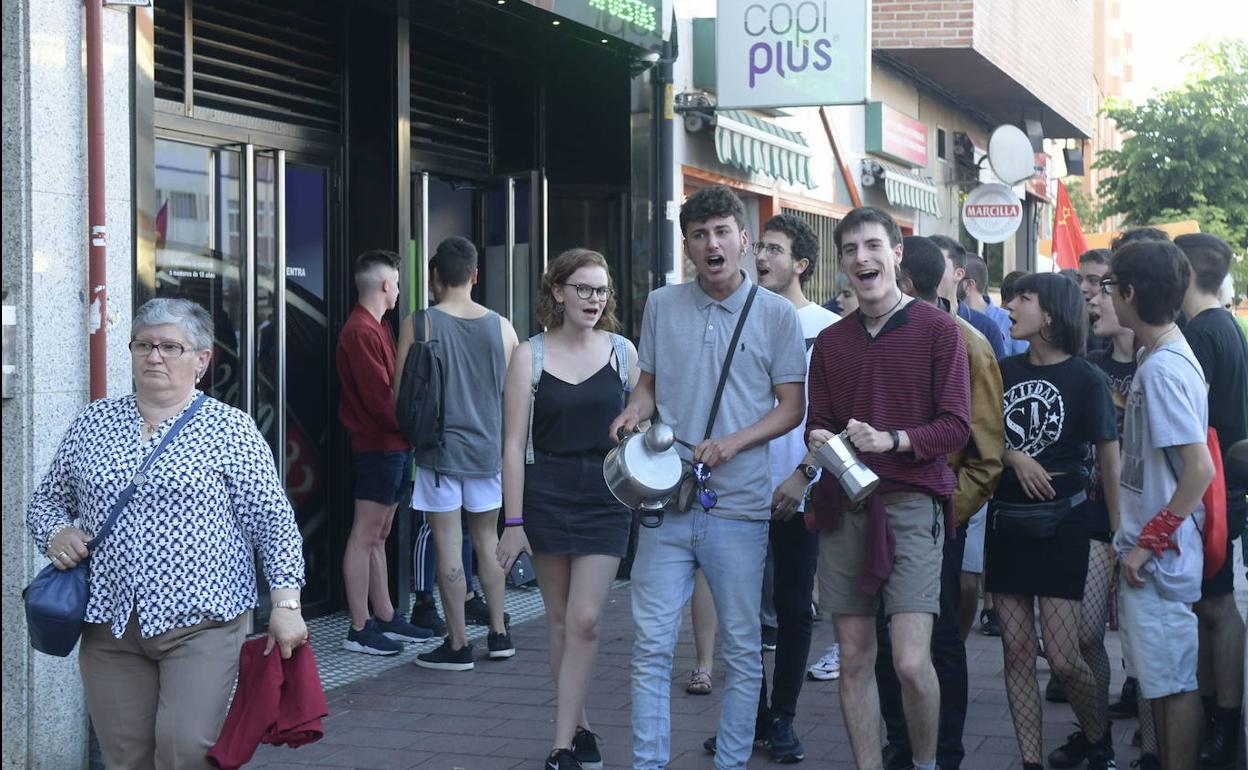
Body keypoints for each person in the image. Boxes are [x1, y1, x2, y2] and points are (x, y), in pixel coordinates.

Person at [27, 297, 307, 769]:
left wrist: (286, 605)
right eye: (144, 345)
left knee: (187, 749)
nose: (154, 356)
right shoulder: (94, 422)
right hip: (110, 623)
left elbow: (273, 521)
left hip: (202, 623)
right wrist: (55, 533)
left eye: (170, 347)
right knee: (125, 756)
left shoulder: (230, 430)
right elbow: (47, 500)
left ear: (201, 359)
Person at [608, 184, 807, 770]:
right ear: (687, 246)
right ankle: (649, 764)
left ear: (745, 241)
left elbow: (791, 406)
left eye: (723, 232)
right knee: (649, 647)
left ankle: (731, 763)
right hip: (667, 501)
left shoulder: (775, 315)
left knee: (744, 653)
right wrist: (632, 410)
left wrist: (735, 442)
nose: (712, 243)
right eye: (700, 235)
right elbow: (647, 385)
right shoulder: (661, 305)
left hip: (739, 506)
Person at [805, 207, 971, 770]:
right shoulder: (830, 342)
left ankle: (924, 764)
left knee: (908, 661)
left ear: (896, 254)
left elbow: (956, 426)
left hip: (913, 505)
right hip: (845, 507)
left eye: (872, 246)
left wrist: (890, 440)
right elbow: (817, 421)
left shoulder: (939, 330)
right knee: (853, 659)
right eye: (850, 249)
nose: (861, 259)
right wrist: (822, 437)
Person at [496, 248, 639, 770]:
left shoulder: (624, 353)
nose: (593, 299)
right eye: (582, 288)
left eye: (601, 290)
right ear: (557, 292)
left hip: (607, 495)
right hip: (547, 491)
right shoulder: (528, 355)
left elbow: (639, 423)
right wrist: (512, 524)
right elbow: (512, 444)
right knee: (558, 621)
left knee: (585, 621)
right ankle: (576, 733)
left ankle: (561, 746)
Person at [874, 236, 1004, 770]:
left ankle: (943, 751)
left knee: (940, 640)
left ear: (904, 281)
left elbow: (988, 454)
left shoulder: (966, 342)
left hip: (939, 517)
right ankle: (902, 742)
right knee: (886, 643)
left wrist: (946, 509)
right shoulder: (869, 335)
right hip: (875, 512)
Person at [987, 273, 1120, 770]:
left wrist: (1118, 532)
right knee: (1016, 650)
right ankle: (1030, 761)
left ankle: (1097, 736)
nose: (1010, 305)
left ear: (1050, 315)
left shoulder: (1088, 378)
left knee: (1064, 659)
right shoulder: (1001, 369)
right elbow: (977, 436)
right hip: (1008, 518)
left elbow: (1110, 459)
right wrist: (1012, 456)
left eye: (1023, 298)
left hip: (1066, 521)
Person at [726, 213, 843, 762]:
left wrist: (806, 474)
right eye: (761, 248)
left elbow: (834, 415)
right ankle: (750, 719)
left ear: (801, 263)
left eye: (774, 249)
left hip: (799, 485)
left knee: (795, 607)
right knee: (740, 609)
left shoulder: (826, 327)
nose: (762, 258)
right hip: (737, 486)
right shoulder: (738, 316)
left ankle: (784, 719)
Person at [1107, 238, 1215, 770]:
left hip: (1161, 564)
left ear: (1129, 293)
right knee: (1165, 684)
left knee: (1173, 686)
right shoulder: (1161, 357)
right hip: (1155, 560)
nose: (1104, 298)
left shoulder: (1164, 369)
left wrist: (1147, 544)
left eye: (1109, 287)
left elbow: (1199, 469)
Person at [396, 236, 519, 670]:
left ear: (433, 277)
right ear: (474, 275)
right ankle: (500, 634)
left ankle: (458, 643)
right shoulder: (502, 326)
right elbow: (517, 396)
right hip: (488, 451)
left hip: (437, 453)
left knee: (448, 542)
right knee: (487, 540)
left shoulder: (420, 323)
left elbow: (400, 393)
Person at [1045, 260, 1139, 768]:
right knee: (1083, 635)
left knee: (1142, 644)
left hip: (1147, 520)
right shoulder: (1092, 362)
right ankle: (1095, 732)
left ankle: (1152, 746)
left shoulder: (1159, 360)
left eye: (1104, 291)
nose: (1094, 300)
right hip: (1095, 515)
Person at [1174, 233, 1248, 767]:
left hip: (1215, 493)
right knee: (1209, 608)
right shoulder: (1226, 324)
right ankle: (1214, 717)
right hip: (1225, 486)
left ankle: (1223, 723)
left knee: (1217, 608)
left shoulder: (1201, 334)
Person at [336, 249, 432, 655]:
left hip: (391, 446)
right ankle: (360, 627)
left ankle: (386, 616)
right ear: (385, 284)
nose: (399, 289)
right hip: (377, 446)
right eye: (396, 281)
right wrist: (419, 421)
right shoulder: (361, 331)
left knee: (379, 533)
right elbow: (383, 400)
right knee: (366, 534)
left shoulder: (377, 327)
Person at [929, 235, 1007, 359]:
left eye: (937, 265)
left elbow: (997, 377)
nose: (929, 272)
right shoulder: (907, 320)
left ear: (959, 274)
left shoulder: (985, 327)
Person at [960, 255, 1026, 358]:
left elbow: (1022, 364)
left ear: (969, 284)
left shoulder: (1009, 319)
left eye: (958, 275)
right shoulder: (949, 316)